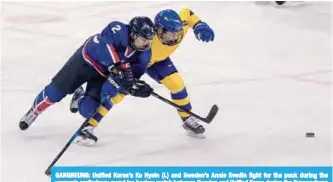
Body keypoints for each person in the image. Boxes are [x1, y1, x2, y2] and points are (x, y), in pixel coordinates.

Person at [71, 8, 215, 145]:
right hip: (141, 63)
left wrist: (199, 25)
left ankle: (187, 118)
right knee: (118, 93)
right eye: (169, 33)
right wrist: (126, 79)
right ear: (158, 30)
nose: (174, 36)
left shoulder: (179, 27)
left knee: (177, 84)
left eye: (176, 32)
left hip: (160, 60)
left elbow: (188, 14)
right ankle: (88, 126)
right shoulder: (147, 42)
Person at [19, 16, 156, 142]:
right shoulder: (118, 29)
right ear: (133, 34)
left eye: (149, 40)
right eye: (143, 39)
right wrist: (119, 66)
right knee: (55, 93)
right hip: (85, 62)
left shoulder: (144, 54)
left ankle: (79, 96)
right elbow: (104, 46)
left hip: (102, 74)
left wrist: (134, 87)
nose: (146, 44)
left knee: (88, 110)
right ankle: (34, 111)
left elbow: (130, 78)